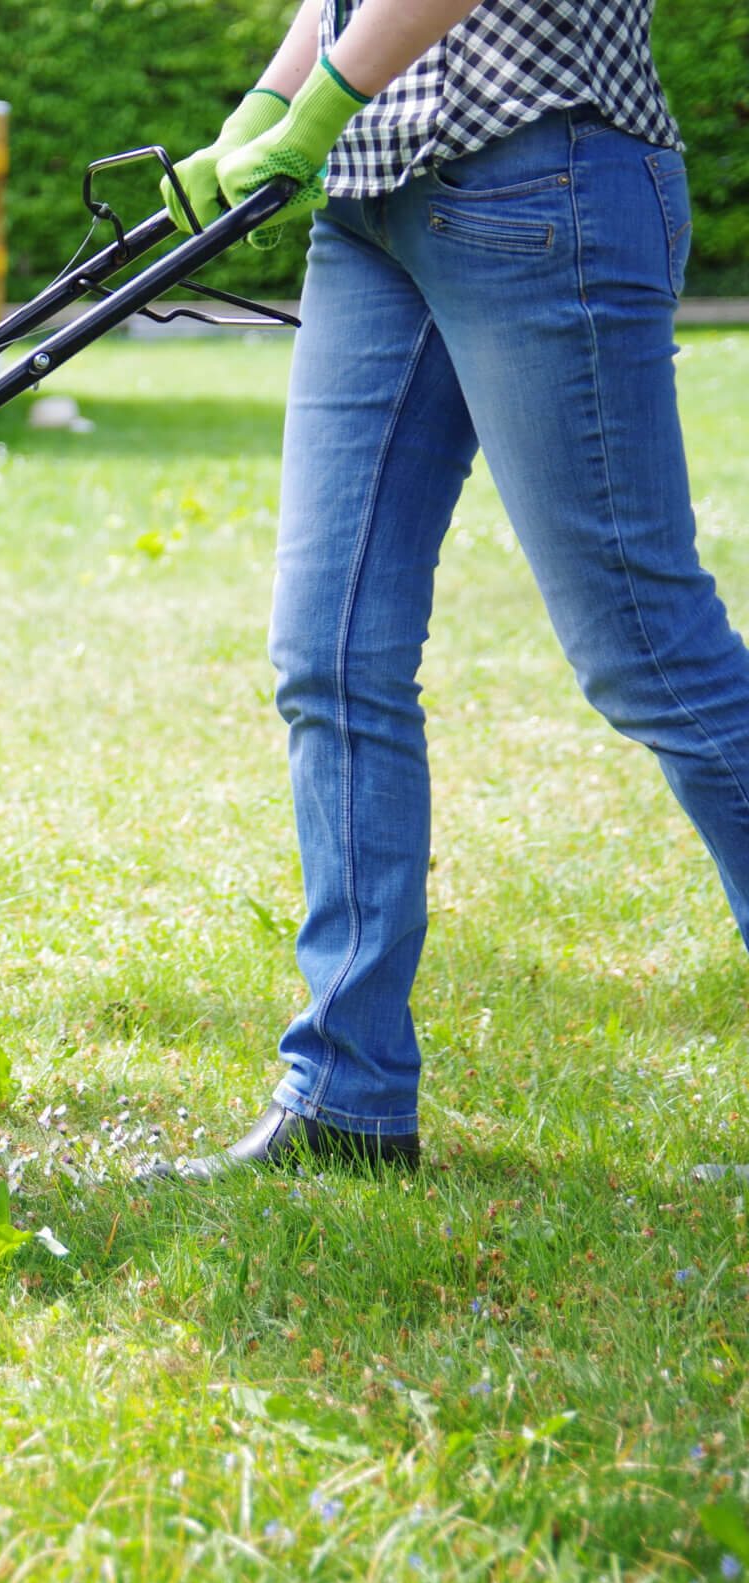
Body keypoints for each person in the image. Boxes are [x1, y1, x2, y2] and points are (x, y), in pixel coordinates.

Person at [149, 0, 726, 1177]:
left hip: (540, 171)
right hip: (368, 207)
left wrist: (312, 109)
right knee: (331, 654)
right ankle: (344, 1099)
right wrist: (266, 107)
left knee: (651, 655)